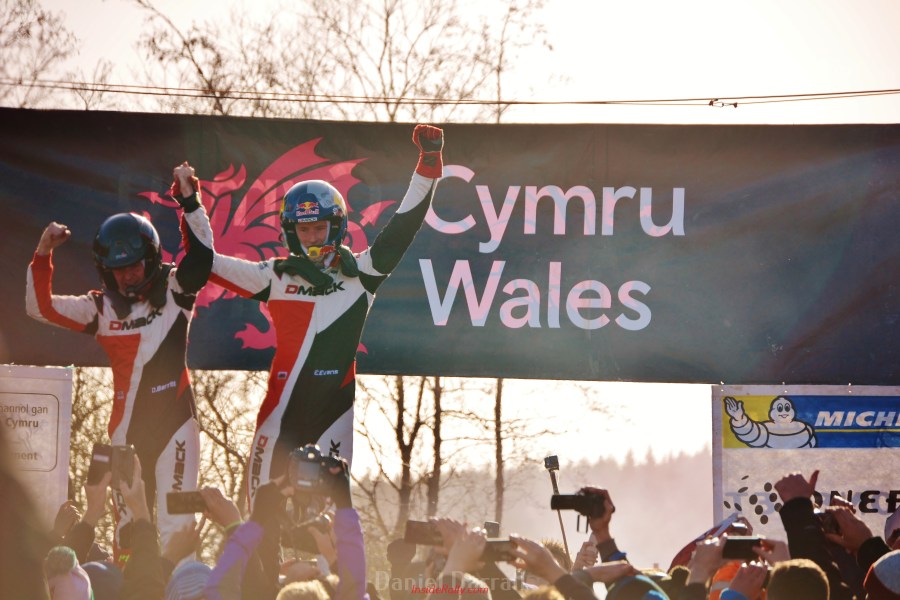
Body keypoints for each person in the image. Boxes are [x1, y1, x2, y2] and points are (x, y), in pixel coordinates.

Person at [208, 124, 445, 500]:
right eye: (304, 231)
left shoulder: (362, 273)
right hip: (278, 419)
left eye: (320, 228)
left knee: (331, 522)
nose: (313, 238)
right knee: (262, 522)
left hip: (334, 417)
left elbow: (404, 225)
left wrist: (429, 163)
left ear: (337, 227)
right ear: (291, 233)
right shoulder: (275, 275)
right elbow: (207, 263)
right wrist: (191, 206)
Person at [26, 162, 214, 558]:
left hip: (177, 424)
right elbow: (39, 308)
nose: (126, 277)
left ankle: (183, 584)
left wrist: (189, 200)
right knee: (128, 530)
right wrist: (43, 254)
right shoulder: (101, 308)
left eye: (133, 266)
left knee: (178, 522)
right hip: (126, 434)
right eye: (117, 270)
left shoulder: (176, 289)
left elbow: (203, 256)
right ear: (104, 271)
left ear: (151, 258)